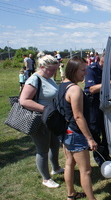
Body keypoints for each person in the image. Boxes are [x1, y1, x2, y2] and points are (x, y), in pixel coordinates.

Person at [19, 55, 64, 188]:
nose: (54, 72)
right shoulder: (34, 79)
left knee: (55, 144)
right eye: (51, 70)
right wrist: (45, 109)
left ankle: (55, 168)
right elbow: (24, 100)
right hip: (40, 120)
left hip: (51, 119)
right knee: (42, 150)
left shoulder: (48, 78)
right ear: (42, 67)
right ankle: (46, 179)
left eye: (55, 70)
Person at [59, 56, 98, 200]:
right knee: (86, 170)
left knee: (69, 163)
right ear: (73, 70)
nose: (85, 73)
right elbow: (78, 117)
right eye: (83, 70)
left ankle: (71, 194)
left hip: (66, 132)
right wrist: (90, 139)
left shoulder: (63, 85)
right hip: (76, 133)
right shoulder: (75, 89)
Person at [84, 52, 111, 167]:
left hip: (108, 104)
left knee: (107, 130)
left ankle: (106, 155)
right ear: (103, 59)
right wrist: (108, 83)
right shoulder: (92, 69)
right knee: (95, 130)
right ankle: (99, 157)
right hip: (94, 104)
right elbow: (91, 89)